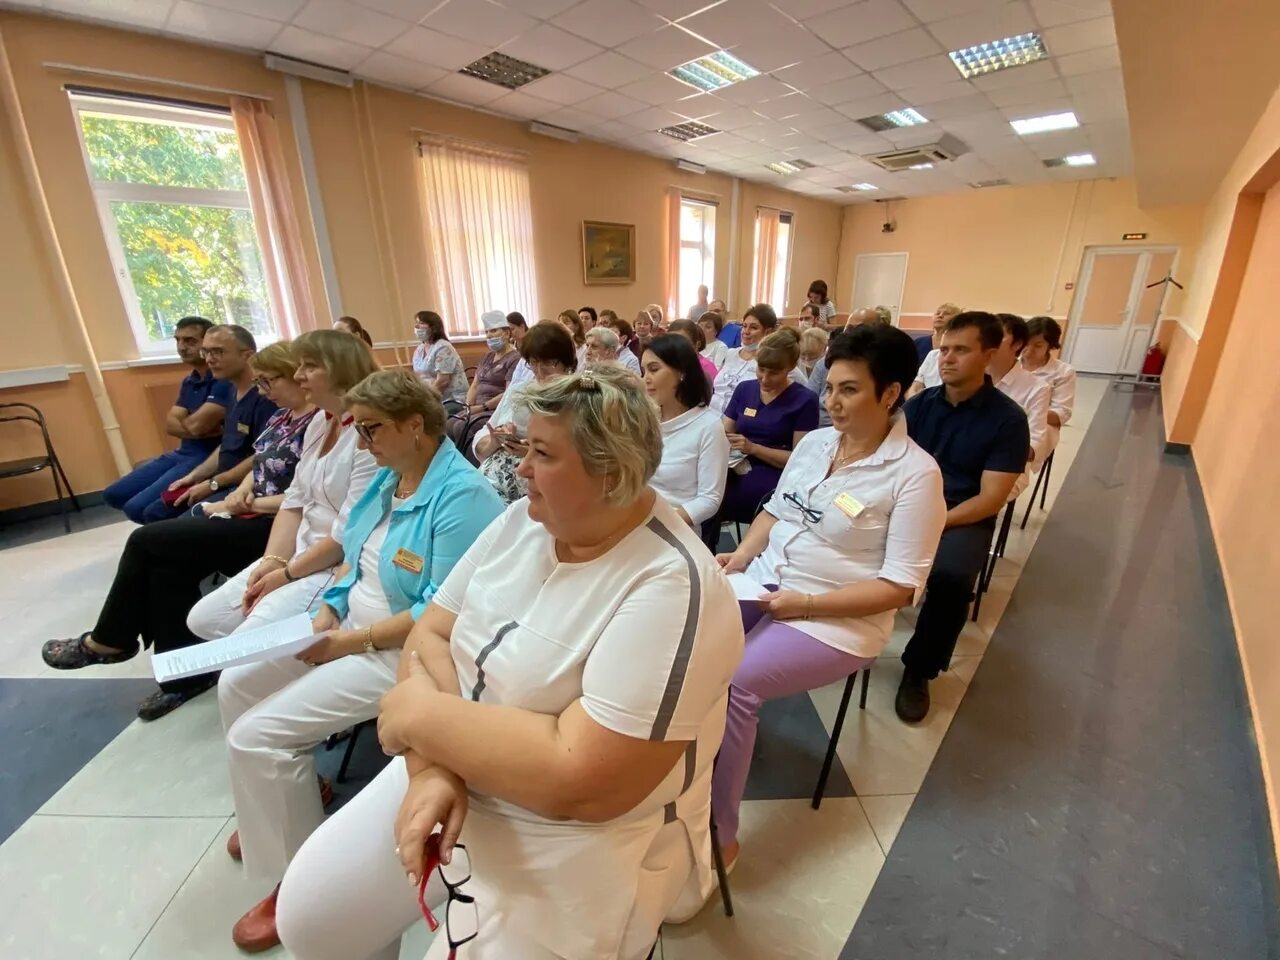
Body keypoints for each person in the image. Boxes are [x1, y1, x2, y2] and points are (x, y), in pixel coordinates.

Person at [274, 364, 744, 960]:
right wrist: (432, 769)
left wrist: (416, 717)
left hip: (570, 835)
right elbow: (430, 636)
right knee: (314, 918)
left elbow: (581, 781)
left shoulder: (674, 587)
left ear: (611, 474)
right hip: (455, 764)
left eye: (541, 452)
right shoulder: (522, 520)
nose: (520, 468)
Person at [222, 371, 503, 953]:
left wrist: (345, 642)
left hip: (401, 652)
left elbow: (437, 611)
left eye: (372, 429)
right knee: (236, 682)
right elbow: (352, 562)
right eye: (358, 429)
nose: (363, 442)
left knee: (257, 738)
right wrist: (326, 610)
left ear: (415, 426)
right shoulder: (387, 479)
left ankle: (290, 880)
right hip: (349, 629)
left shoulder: (462, 496)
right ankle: (284, 800)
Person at [712, 325, 945, 869]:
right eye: (831, 387)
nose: (832, 402)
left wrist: (806, 605)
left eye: (849, 390)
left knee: (737, 683)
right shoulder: (817, 444)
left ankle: (720, 833)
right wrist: (742, 556)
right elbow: (776, 508)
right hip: (767, 582)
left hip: (837, 619)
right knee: (684, 640)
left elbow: (900, 588)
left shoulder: (915, 476)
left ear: (890, 394)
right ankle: (682, 771)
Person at [41, 341, 318, 720]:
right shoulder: (281, 418)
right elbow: (260, 468)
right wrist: (237, 491)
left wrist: (238, 503)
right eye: (261, 383)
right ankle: (183, 678)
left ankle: (110, 640)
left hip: (279, 527)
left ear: (297, 378)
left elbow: (304, 497)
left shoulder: (318, 423)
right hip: (252, 511)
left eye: (271, 381)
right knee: (167, 564)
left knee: (148, 539)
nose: (264, 391)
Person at [186, 330, 380, 643]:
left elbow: (347, 535)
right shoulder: (320, 421)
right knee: (205, 619)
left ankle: (309, 650)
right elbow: (293, 503)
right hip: (299, 551)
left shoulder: (368, 434)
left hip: (334, 564)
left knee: (243, 652)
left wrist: (287, 575)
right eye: (298, 366)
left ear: (341, 369)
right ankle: (292, 654)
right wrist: (272, 562)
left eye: (309, 366)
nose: (299, 375)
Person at [896, 311, 1030, 723]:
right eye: (944, 349)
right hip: (908, 505)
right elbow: (890, 464)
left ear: (989, 355)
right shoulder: (919, 406)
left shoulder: (1008, 419)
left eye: (961, 350)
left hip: (962, 515)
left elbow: (991, 498)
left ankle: (919, 669)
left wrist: (937, 522)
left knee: (951, 577)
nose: (947, 358)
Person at [102, 316, 233, 524]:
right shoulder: (190, 380)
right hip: (183, 451)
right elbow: (172, 425)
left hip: (206, 455)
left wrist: (191, 424)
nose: (182, 347)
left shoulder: (224, 380)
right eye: (178, 340)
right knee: (113, 494)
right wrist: (194, 426)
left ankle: (170, 531)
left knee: (139, 509)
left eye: (190, 341)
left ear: (208, 345)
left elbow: (196, 426)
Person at [156, 325, 279, 524]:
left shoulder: (266, 398)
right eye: (206, 352)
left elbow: (263, 455)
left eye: (218, 352)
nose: (210, 359)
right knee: (156, 510)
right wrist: (196, 476)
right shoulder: (231, 391)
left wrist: (213, 484)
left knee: (165, 527)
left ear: (247, 355)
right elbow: (227, 444)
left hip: (244, 487)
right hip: (224, 481)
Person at [718, 328, 819, 523]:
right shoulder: (745, 389)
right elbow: (724, 431)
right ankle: (705, 548)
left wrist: (753, 448)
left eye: (773, 373)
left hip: (775, 471)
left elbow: (798, 459)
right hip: (737, 463)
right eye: (760, 369)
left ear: (790, 367)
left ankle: (749, 549)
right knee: (706, 490)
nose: (764, 378)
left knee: (734, 494)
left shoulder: (805, 400)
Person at [473, 323, 577, 503]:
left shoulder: (577, 398)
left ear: (567, 361)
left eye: (548, 363)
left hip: (533, 485)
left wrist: (533, 453)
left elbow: (580, 457)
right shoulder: (519, 391)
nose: (539, 371)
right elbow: (483, 435)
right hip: (491, 475)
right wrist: (495, 441)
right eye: (533, 363)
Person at [642, 334, 728, 531]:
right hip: (638, 517)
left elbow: (709, 499)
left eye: (654, 369)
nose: (645, 378)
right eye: (643, 370)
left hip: (674, 525)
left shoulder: (709, 426)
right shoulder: (646, 419)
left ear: (681, 372)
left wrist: (657, 522)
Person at [989, 313, 1051, 495]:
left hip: (1005, 468)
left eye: (997, 337)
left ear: (1017, 344)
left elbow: (1035, 444)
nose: (987, 343)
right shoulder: (971, 377)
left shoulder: (1037, 388)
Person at [709, 304, 804, 416]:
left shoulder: (778, 361)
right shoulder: (730, 354)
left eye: (753, 327)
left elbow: (803, 393)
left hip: (744, 423)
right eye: (744, 326)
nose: (746, 331)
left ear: (768, 332)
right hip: (711, 417)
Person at [1021, 316, 1076, 456]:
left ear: (1050, 346)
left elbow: (1061, 414)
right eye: (1026, 343)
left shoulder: (1063, 372)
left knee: (1015, 449)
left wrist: (1027, 412)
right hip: (1006, 420)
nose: (1028, 350)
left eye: (1037, 345)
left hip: (1040, 426)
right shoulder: (1010, 363)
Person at [462, 311, 519, 418]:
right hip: (477, 408)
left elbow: (508, 393)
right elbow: (474, 386)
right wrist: (468, 407)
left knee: (459, 427)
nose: (489, 335)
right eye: (486, 332)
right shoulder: (487, 357)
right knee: (450, 423)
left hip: (495, 410)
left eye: (493, 330)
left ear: (506, 333)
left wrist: (482, 407)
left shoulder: (515, 358)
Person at [411, 311, 467, 415]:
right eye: (416, 323)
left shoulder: (443, 347)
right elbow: (418, 377)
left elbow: (442, 382)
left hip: (450, 400)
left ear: (433, 327)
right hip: (429, 398)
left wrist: (425, 401)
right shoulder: (419, 349)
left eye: (422, 323)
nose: (417, 326)